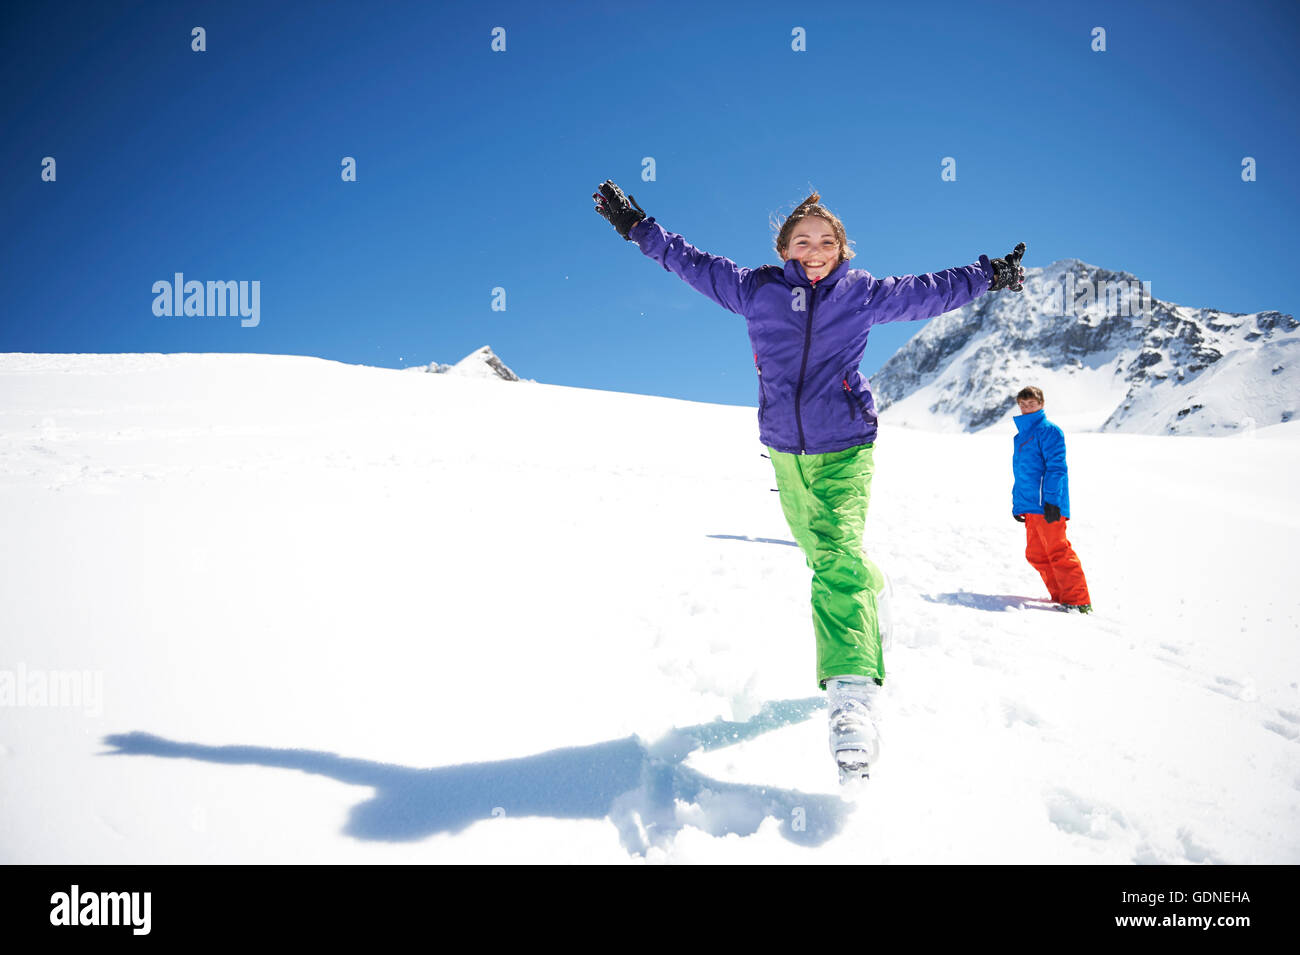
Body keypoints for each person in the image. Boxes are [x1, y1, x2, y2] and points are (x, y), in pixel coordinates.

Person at [594, 179, 1026, 781]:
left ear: (842, 248)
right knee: (825, 555)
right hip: (784, 453)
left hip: (845, 445)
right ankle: (872, 598)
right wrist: (638, 226)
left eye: (826, 240)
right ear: (786, 249)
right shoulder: (756, 291)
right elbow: (688, 261)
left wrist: (990, 274)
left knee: (835, 562)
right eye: (803, 240)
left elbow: (933, 291)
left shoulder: (864, 294)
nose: (815, 248)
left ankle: (852, 700)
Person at [1011, 386, 1093, 613]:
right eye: (1023, 404)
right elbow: (1023, 473)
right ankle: (1062, 597)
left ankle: (1078, 601)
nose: (1027, 407)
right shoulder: (1021, 436)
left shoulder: (1049, 431)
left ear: (1041, 404)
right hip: (1031, 506)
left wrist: (1052, 501)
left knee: (1058, 551)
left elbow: (1056, 468)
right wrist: (1019, 504)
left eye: (1032, 403)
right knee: (1036, 554)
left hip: (1048, 505)